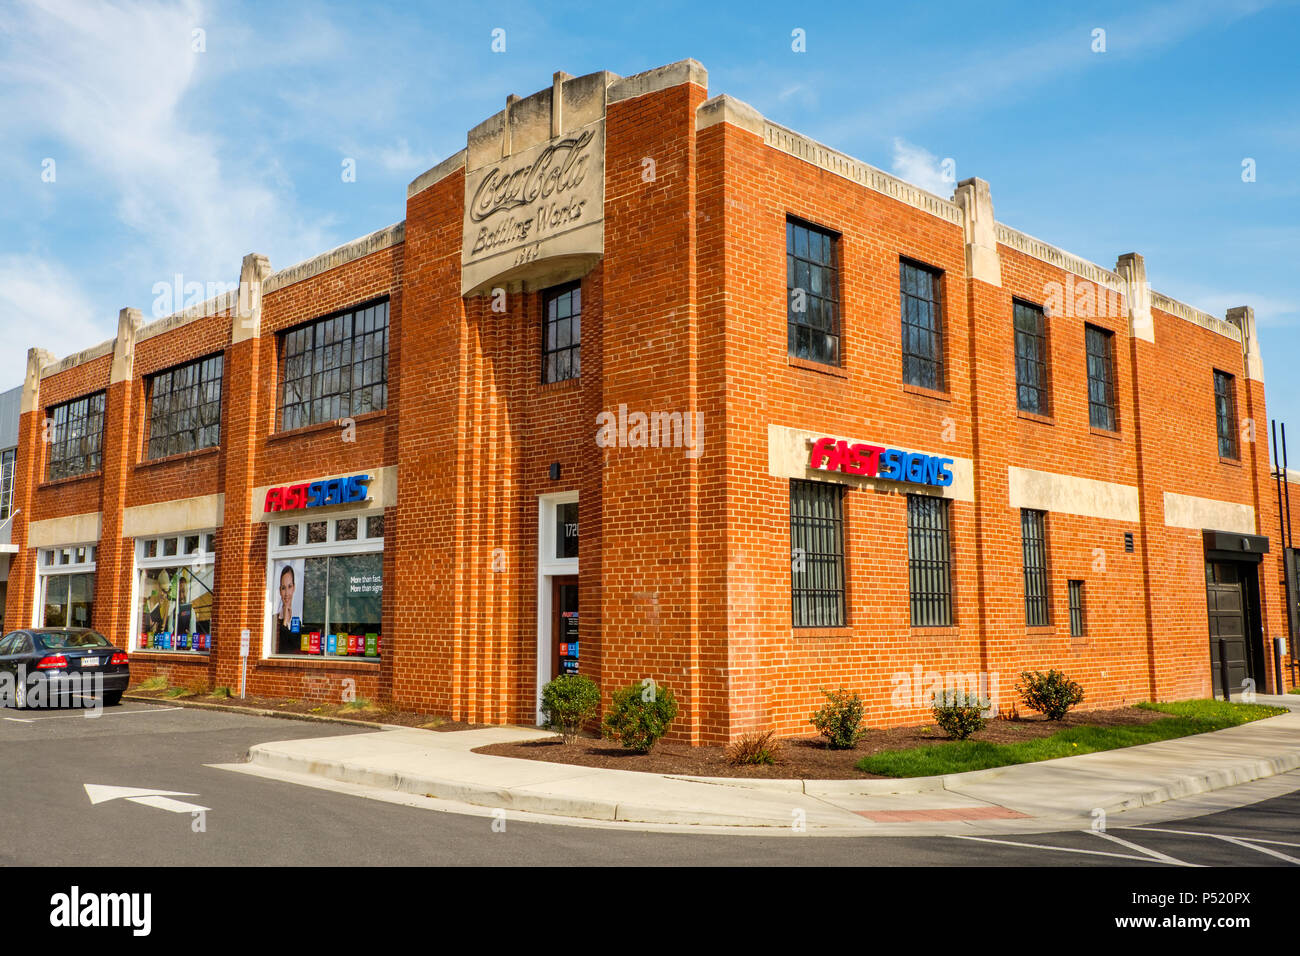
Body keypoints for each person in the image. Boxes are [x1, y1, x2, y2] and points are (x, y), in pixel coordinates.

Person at [275, 564, 298, 653]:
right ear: (280, 590)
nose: (286, 593)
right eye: (283, 588)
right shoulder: (274, 620)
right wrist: (284, 621)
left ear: (294, 588)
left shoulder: (298, 619)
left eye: (289, 586)